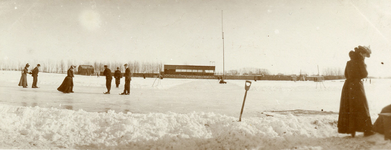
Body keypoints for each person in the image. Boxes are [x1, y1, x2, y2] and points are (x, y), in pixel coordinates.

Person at [338, 46, 374, 137]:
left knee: (349, 106)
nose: (365, 57)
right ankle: (367, 130)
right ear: (362, 53)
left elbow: (346, 74)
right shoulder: (360, 61)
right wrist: (364, 65)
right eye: (365, 55)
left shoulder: (349, 62)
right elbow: (364, 74)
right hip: (357, 86)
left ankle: (351, 130)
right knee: (362, 106)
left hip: (348, 86)